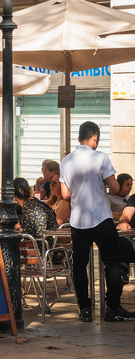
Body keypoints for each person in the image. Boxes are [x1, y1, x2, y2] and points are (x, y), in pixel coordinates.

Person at [59, 121, 134, 322]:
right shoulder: (101, 158)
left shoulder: (66, 161)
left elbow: (65, 194)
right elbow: (116, 189)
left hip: (78, 221)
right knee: (112, 263)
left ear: (78, 138)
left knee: (79, 264)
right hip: (101, 218)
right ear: (95, 137)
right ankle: (113, 308)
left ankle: (84, 309)